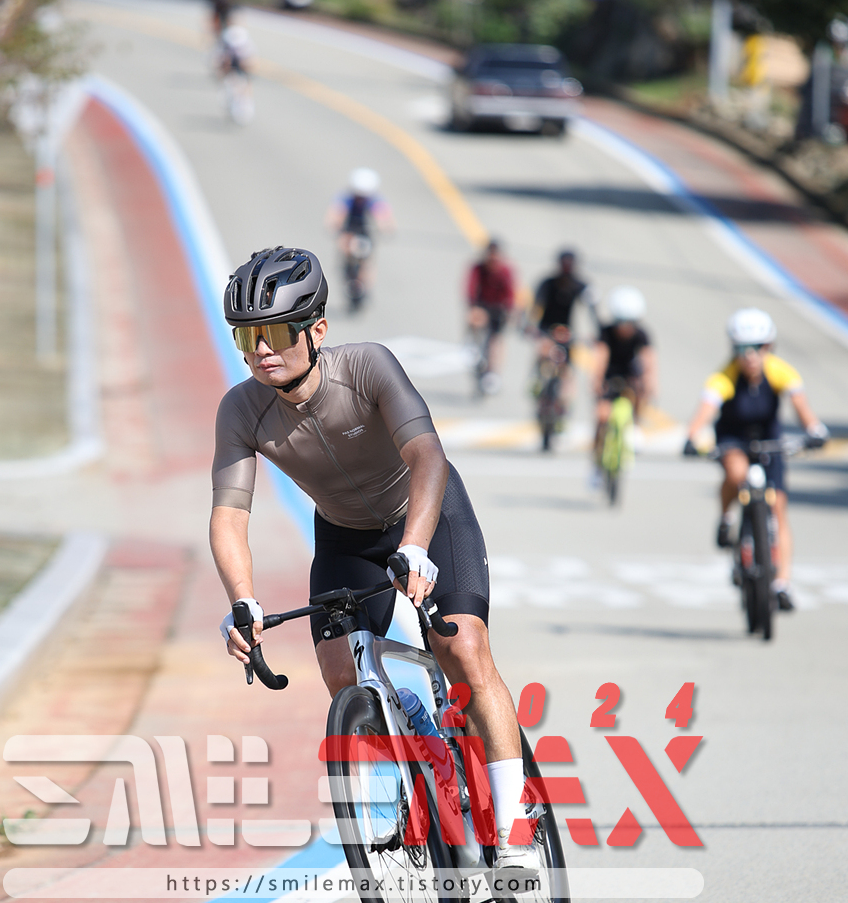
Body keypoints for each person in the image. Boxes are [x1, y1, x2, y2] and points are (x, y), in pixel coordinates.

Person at [210, 246, 536, 868]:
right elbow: (229, 515)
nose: (262, 350)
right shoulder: (241, 409)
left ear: (317, 330)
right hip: (346, 537)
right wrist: (243, 602)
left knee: (464, 649)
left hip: (428, 512)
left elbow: (428, 457)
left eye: (276, 333)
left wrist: (415, 544)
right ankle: (415, 750)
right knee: (341, 674)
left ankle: (514, 824)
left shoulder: (367, 367)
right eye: (248, 337)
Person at [681, 308, 829, 610]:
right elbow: (706, 409)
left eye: (758, 348)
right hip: (733, 438)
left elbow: (801, 406)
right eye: (742, 349)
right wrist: (692, 436)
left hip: (770, 441)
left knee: (779, 508)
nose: (750, 356)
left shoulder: (781, 372)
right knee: (736, 474)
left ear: (769, 346)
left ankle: (782, 583)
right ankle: (726, 517)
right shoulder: (724, 377)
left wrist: (815, 430)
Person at [590, 285, 656, 477]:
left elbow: (649, 361)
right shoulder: (606, 333)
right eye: (622, 322)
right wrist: (596, 381)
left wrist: (650, 383)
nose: (626, 327)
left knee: (641, 392)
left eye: (631, 322)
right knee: (602, 417)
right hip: (610, 376)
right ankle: (595, 464)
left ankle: (636, 426)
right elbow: (600, 357)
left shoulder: (642, 335)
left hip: (630, 376)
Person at [527, 247, 598, 414]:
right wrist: (529, 324)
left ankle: (564, 404)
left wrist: (596, 333)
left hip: (568, 332)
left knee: (568, 371)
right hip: (547, 328)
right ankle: (537, 379)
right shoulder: (547, 283)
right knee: (543, 351)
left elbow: (592, 310)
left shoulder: (581, 285)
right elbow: (535, 305)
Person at [324, 168, 394, 312]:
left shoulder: (375, 199)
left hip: (365, 231)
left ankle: (366, 284)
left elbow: (384, 216)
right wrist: (333, 225)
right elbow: (335, 213)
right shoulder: (345, 197)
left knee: (368, 260)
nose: (361, 199)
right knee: (344, 245)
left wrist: (386, 228)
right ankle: (347, 271)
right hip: (349, 229)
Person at [465, 238, 516, 395]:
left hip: (499, 310)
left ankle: (494, 371)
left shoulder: (505, 271)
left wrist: (510, 312)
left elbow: (511, 294)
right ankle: (474, 346)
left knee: (497, 340)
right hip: (482, 306)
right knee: (474, 319)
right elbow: (470, 289)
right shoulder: (478, 268)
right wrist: (473, 307)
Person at [215, 24, 254, 124]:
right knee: (229, 81)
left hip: (242, 63)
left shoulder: (248, 46)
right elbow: (220, 65)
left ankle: (244, 102)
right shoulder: (223, 46)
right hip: (228, 63)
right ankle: (231, 99)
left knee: (245, 80)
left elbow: (252, 66)